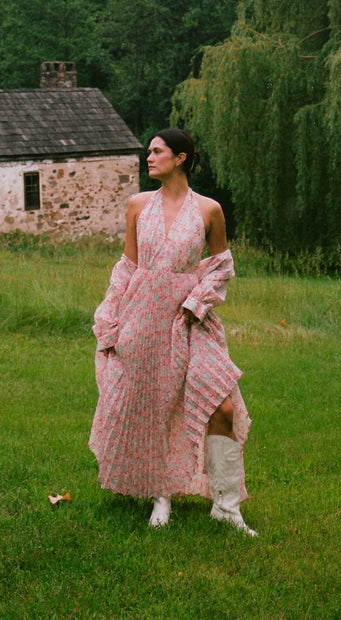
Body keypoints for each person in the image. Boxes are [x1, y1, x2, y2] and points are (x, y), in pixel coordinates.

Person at [89, 128, 256, 536]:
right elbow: (126, 269)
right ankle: (160, 495)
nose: (149, 157)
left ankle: (226, 506)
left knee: (223, 406)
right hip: (141, 318)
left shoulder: (209, 210)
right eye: (149, 152)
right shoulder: (137, 205)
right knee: (153, 407)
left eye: (157, 151)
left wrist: (194, 305)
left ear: (180, 158)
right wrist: (110, 319)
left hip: (189, 321)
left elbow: (220, 270)